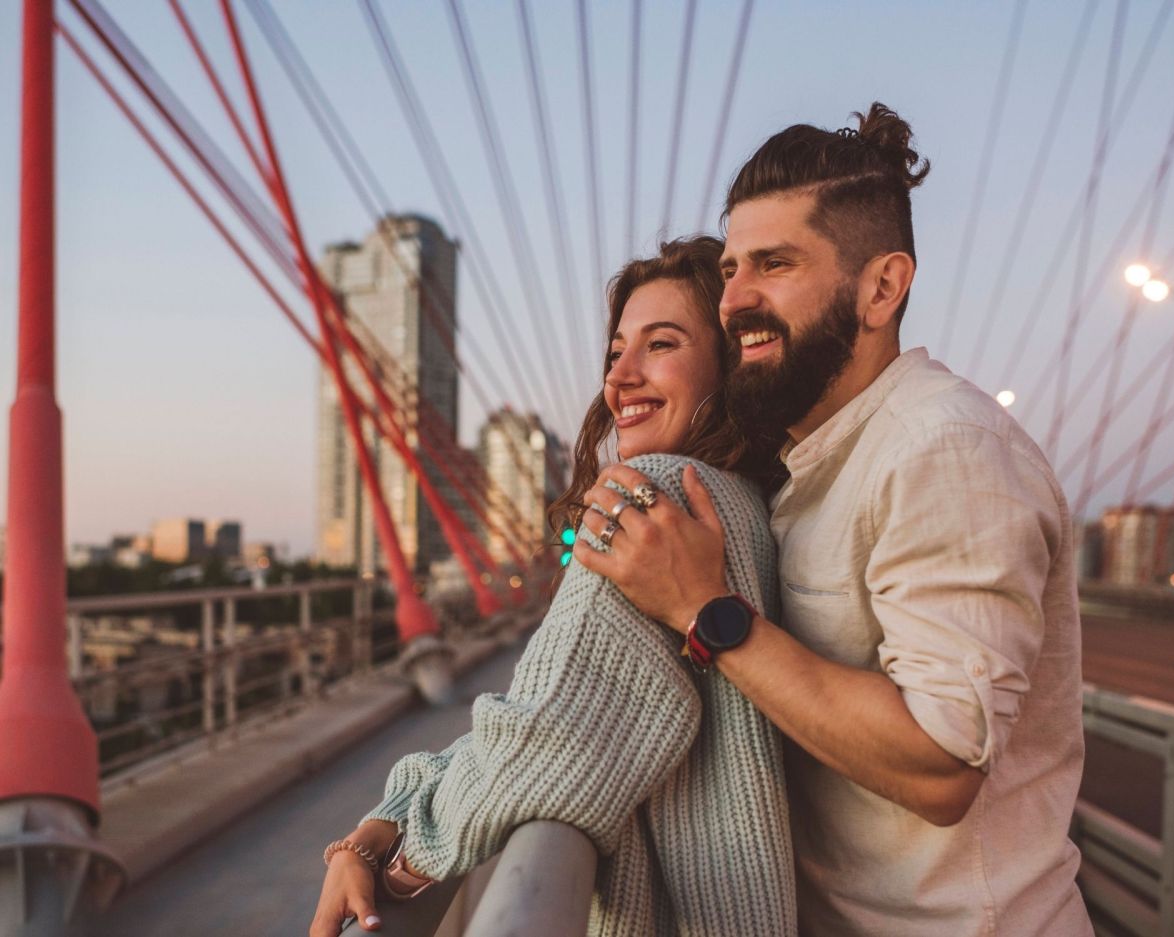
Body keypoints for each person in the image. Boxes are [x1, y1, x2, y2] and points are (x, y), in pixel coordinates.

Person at [575, 104, 1093, 936]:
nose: (735, 299)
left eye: (774, 265)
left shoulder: (944, 447)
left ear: (882, 287)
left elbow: (940, 765)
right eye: (734, 266)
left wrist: (707, 611)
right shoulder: (807, 465)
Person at [309, 237, 797, 937]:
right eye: (615, 352)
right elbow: (554, 706)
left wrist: (392, 858)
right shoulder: (742, 505)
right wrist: (389, 811)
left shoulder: (651, 502)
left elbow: (541, 743)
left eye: (660, 344)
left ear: (727, 366)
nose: (619, 378)